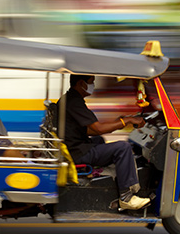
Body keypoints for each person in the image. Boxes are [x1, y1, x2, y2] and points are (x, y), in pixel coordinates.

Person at [62, 74, 151, 210]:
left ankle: (115, 178)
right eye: (92, 82)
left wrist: (120, 122)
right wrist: (125, 121)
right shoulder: (74, 102)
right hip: (77, 152)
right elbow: (97, 128)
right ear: (81, 83)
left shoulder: (71, 99)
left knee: (100, 140)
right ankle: (126, 197)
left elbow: (89, 130)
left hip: (75, 146)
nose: (94, 85)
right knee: (123, 148)